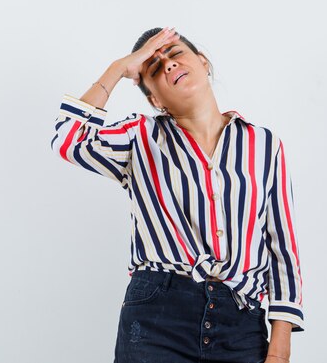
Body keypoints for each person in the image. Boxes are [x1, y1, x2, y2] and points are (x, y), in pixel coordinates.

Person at [50, 27, 304, 363]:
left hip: (241, 324)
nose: (169, 64)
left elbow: (282, 249)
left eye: (175, 53)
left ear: (202, 61)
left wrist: (280, 346)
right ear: (154, 99)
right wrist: (118, 68)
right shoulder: (139, 137)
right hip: (157, 317)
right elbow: (69, 139)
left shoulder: (264, 145)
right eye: (154, 68)